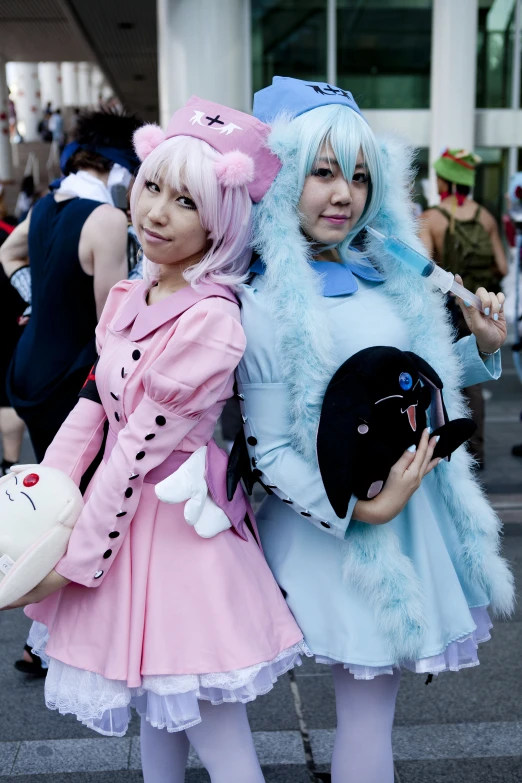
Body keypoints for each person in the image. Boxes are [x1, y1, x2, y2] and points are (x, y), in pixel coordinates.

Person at [6, 97, 305, 783]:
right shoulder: (131, 296)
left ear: (222, 220)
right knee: (155, 717)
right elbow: (92, 408)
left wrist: (72, 561)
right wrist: (32, 511)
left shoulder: (213, 320)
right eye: (152, 187)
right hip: (127, 518)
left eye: (186, 201)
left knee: (218, 735)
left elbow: (137, 447)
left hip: (175, 526)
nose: (157, 212)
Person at [223, 77, 512, 782]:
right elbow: (269, 450)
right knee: (224, 704)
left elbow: (413, 386)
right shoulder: (263, 300)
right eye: (322, 172)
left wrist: (483, 343)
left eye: (357, 174)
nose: (342, 193)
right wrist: (361, 507)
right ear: (284, 173)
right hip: (333, 530)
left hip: (404, 526)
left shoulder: (390, 276)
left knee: (370, 717)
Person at [0, 109, 142, 463]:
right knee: (75, 494)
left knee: (51, 486)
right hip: (69, 379)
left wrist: (40, 299)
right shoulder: (106, 218)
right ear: (121, 171)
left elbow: (8, 253)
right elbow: (110, 325)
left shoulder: (44, 205)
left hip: (28, 368)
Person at [419, 149, 508, 468]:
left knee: (443, 375)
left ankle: (449, 452)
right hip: (482, 309)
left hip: (448, 312)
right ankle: (477, 451)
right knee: (474, 380)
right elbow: (502, 264)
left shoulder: (431, 218)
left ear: (443, 179)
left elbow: (424, 273)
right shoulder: (484, 216)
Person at [0, 218, 26, 477]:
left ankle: (9, 466)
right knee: (6, 398)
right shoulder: (12, 232)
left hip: (9, 320)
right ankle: (9, 468)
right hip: (10, 319)